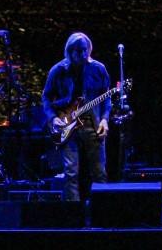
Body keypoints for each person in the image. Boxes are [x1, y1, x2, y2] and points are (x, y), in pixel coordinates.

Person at [42, 32, 110, 202]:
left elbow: (106, 97)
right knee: (71, 172)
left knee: (99, 172)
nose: (82, 54)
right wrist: (52, 118)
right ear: (70, 51)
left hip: (92, 124)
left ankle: (101, 213)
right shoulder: (58, 70)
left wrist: (104, 119)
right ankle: (74, 216)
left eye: (85, 50)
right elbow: (46, 97)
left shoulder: (98, 69)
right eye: (78, 51)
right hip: (67, 125)